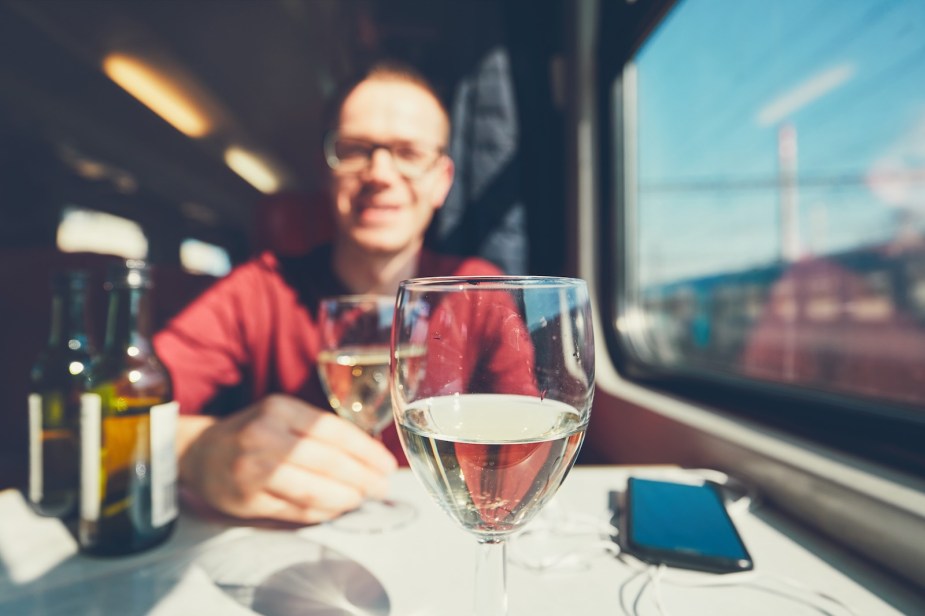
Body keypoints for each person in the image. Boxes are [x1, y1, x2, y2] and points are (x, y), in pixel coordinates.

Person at [153, 61, 506, 525]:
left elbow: (533, 431)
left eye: (408, 152)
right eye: (355, 149)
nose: (380, 172)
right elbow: (108, 410)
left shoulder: (482, 293)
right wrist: (193, 452)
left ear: (441, 181)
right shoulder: (259, 289)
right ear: (329, 173)